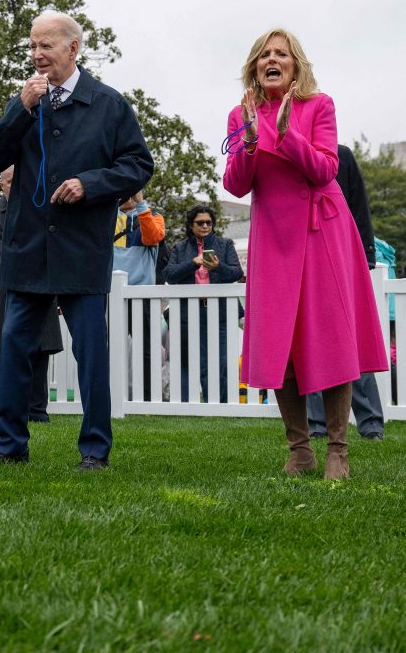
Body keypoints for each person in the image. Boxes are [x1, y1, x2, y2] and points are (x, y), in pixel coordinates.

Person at [0, 10, 154, 469]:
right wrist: (19, 109)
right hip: (27, 248)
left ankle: (95, 450)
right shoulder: (26, 101)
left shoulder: (109, 104)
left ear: (73, 48)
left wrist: (89, 184)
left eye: (46, 45)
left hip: (82, 248)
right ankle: (10, 446)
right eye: (32, 46)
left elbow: (139, 164)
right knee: (14, 347)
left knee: (91, 352)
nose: (37, 54)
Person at [223, 28, 387, 479]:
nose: (272, 60)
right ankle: (299, 450)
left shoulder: (319, 105)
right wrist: (251, 140)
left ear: (295, 65)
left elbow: (325, 169)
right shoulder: (242, 113)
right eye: (264, 55)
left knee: (331, 338)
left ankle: (337, 450)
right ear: (255, 66)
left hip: (322, 234)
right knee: (282, 343)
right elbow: (235, 184)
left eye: (281, 53)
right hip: (273, 237)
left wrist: (286, 134)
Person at [0, 166, 62, 421]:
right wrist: (8, 247)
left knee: (40, 351)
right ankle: (11, 412)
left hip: (40, 290)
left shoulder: (42, 211)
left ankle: (38, 412)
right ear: (1, 184)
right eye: (11, 181)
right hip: (3, 295)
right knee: (6, 352)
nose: (17, 185)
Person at [307, 145, 384, 440]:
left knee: (352, 339)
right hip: (305, 259)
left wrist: (366, 253)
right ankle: (316, 426)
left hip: (342, 255)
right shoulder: (286, 153)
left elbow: (358, 204)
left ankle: (371, 423)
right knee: (310, 341)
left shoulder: (341, 155)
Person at [162, 205, 242, 403]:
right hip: (190, 313)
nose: (205, 226)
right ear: (191, 225)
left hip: (221, 312)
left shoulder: (225, 244)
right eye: (200, 223)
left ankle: (222, 406)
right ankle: (209, 403)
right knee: (200, 362)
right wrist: (193, 263)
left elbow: (236, 273)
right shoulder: (180, 248)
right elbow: (169, 275)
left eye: (209, 222)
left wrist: (218, 267)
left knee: (222, 361)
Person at [113, 190, 166, 401]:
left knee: (147, 349)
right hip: (111, 294)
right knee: (109, 348)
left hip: (142, 295)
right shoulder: (108, 217)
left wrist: (141, 204)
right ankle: (110, 397)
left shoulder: (154, 216)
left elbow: (152, 238)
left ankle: (148, 399)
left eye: (130, 191)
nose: (127, 196)